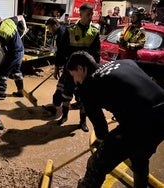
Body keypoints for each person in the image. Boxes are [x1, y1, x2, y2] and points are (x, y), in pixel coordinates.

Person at [66, 51, 164, 188]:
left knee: (96, 164)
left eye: (73, 75)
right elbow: (159, 69)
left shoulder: (87, 86)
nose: (75, 81)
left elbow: (100, 125)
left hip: (140, 123)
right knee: (139, 155)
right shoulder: (125, 63)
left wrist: (102, 145)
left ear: (81, 69)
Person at [56, 3, 100, 132]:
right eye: (88, 14)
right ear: (80, 14)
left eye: (92, 14)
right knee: (66, 94)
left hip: (86, 72)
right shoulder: (69, 30)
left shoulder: (95, 31)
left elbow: (96, 54)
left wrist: (95, 70)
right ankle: (64, 116)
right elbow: (62, 51)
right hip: (70, 69)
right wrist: (57, 66)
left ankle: (82, 122)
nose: (91, 16)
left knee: (84, 97)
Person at [0, 13, 27, 99]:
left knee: (2, 71)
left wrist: (5, 59)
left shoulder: (1, 33)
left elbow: (4, 50)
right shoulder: (9, 21)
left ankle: (1, 93)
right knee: (16, 71)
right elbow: (21, 17)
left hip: (13, 52)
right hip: (21, 50)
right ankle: (20, 91)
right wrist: (24, 29)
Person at [42, 18, 67, 117]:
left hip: (71, 66)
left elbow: (60, 53)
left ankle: (57, 110)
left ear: (54, 25)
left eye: (49, 28)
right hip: (70, 64)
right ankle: (59, 106)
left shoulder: (60, 35)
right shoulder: (63, 29)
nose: (49, 30)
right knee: (66, 87)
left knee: (61, 87)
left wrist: (56, 69)